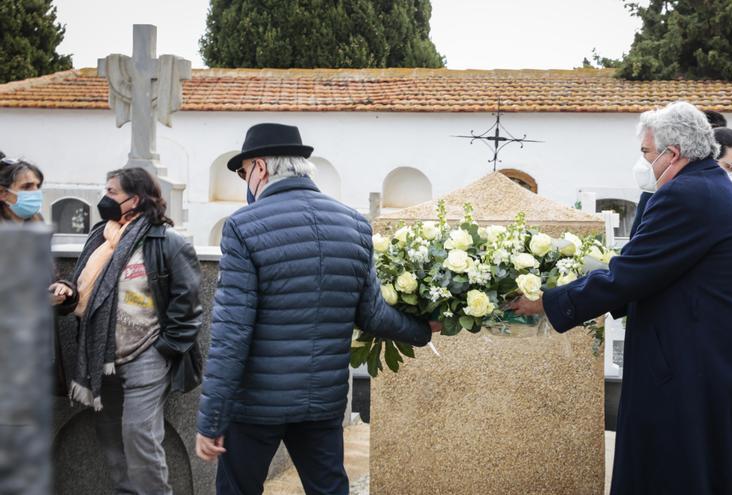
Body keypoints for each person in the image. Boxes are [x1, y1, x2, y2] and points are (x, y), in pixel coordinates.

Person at [511, 101, 732, 494]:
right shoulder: (716, 188)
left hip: (696, 371)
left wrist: (546, 301)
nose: (643, 163)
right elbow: (659, 271)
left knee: (679, 476)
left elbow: (630, 275)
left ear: (672, 154)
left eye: (646, 154)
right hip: (722, 364)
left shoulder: (688, 194)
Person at [195, 123, 441, 495]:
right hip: (321, 402)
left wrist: (211, 418)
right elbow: (372, 314)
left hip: (256, 407)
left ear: (259, 168)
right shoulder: (354, 224)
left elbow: (232, 332)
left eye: (244, 173)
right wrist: (424, 329)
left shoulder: (244, 227)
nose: (245, 183)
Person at [53, 167, 203, 495]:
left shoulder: (166, 242)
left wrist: (165, 348)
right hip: (102, 355)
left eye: (111, 192)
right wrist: (66, 291)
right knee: (110, 438)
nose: (104, 199)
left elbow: (188, 303)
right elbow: (84, 288)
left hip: (147, 354)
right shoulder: (100, 238)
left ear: (134, 200)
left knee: (139, 436)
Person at [631, 109, 728, 236]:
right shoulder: (715, 185)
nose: (642, 160)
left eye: (646, 151)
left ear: (673, 154)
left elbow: (638, 253)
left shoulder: (680, 193)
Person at [0, 157, 45, 223]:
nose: (35, 191)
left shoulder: (38, 220)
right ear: (2, 192)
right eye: (27, 186)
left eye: (37, 186)